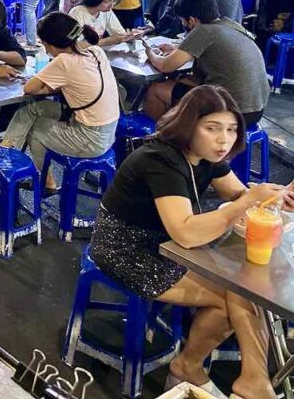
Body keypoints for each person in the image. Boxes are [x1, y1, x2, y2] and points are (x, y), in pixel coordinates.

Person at [90, 86, 288, 399]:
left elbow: (236, 194)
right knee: (236, 298)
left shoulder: (207, 153)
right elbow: (185, 232)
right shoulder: (161, 159)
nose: (224, 140)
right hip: (128, 250)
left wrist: (274, 197)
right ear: (188, 125)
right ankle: (192, 368)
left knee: (243, 293)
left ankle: (249, 380)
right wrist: (247, 201)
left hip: (166, 244)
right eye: (212, 128)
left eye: (231, 129)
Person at [0, 12, 119, 191]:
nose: (46, 50)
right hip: (109, 132)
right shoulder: (95, 51)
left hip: (90, 139)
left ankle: (46, 181)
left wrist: (46, 84)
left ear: (50, 44)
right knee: (34, 108)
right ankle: (5, 152)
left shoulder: (64, 61)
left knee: (36, 130)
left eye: (45, 44)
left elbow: (29, 88)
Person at [143, 0, 270, 125]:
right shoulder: (231, 26)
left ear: (191, 20)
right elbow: (217, 54)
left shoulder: (203, 31)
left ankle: (161, 139)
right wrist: (178, 50)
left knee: (156, 90)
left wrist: (150, 52)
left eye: (182, 21)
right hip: (256, 110)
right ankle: (181, 129)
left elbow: (164, 66)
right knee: (183, 79)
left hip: (231, 112)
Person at [68, 0, 144, 47]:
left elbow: (120, 35)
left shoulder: (106, 11)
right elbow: (72, 46)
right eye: (107, 2)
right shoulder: (77, 13)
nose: (111, 6)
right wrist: (106, 41)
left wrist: (131, 36)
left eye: (114, 1)